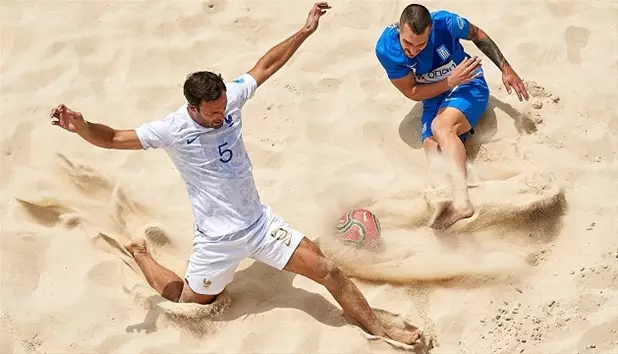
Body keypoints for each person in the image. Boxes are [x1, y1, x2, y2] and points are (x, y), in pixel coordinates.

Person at [49, 2, 422, 345]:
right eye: (213, 112)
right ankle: (140, 253)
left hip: (259, 224)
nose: (221, 115)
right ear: (193, 107)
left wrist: (305, 30)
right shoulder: (172, 130)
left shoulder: (229, 99)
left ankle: (380, 330)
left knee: (328, 271)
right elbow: (113, 138)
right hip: (216, 240)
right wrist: (82, 126)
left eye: (224, 106)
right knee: (189, 302)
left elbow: (266, 66)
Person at [375, 4, 530, 230]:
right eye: (407, 43)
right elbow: (412, 92)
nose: (413, 50)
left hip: (468, 81)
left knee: (441, 127)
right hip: (435, 94)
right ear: (399, 30)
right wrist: (448, 82)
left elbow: (477, 34)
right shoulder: (387, 48)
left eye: (421, 44)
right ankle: (448, 201)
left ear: (430, 31)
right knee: (432, 151)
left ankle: (462, 202)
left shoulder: (446, 23)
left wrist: (506, 68)